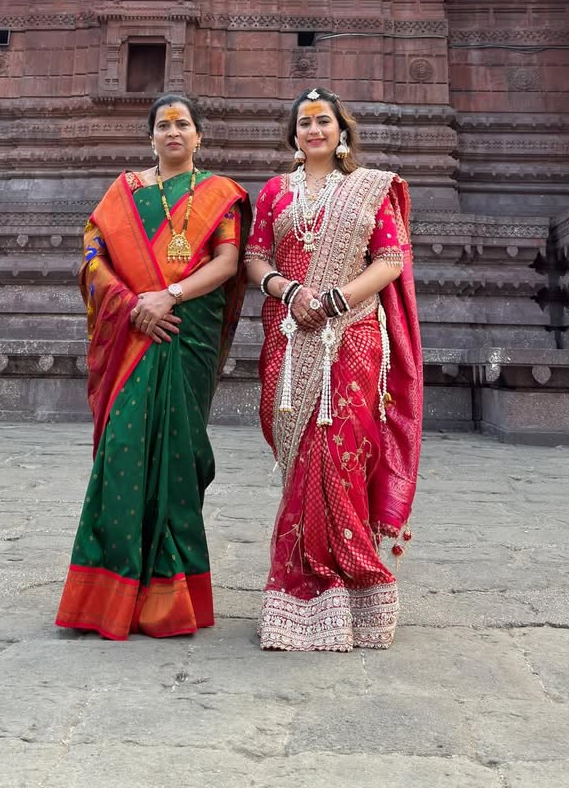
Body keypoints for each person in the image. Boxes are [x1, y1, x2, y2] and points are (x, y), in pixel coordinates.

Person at [55, 94, 249, 640]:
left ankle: (170, 597)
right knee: (121, 454)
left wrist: (169, 296)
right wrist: (133, 306)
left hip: (184, 336)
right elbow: (93, 258)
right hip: (133, 335)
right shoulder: (123, 194)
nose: (173, 132)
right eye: (163, 125)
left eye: (183, 124)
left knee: (177, 462)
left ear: (199, 136)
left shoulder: (219, 195)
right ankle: (104, 594)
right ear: (150, 137)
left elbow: (229, 263)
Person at [246, 87, 422, 651]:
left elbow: (390, 261)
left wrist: (336, 302)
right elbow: (255, 258)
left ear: (341, 130)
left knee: (342, 451)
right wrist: (289, 290)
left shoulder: (368, 188)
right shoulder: (274, 192)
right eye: (304, 122)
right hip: (292, 333)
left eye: (323, 120)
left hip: (351, 334)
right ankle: (299, 594)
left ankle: (353, 583)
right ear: (293, 135)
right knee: (300, 453)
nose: (314, 130)